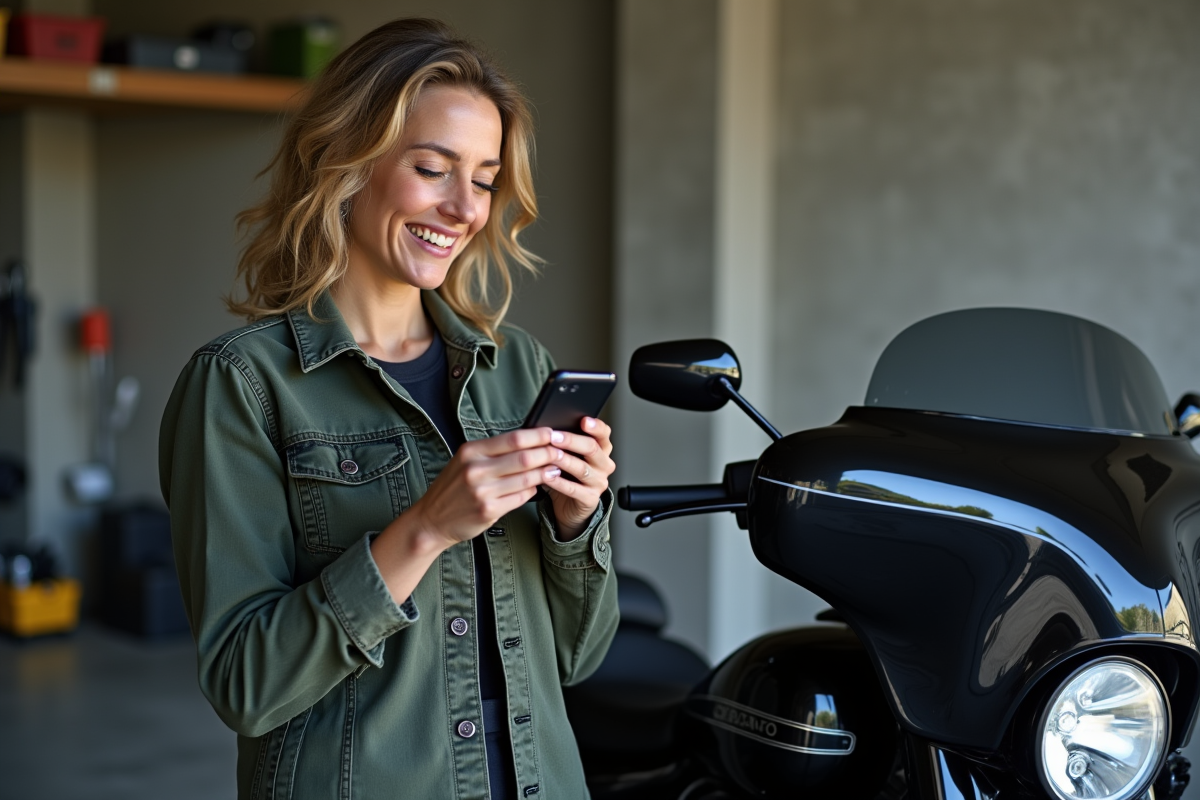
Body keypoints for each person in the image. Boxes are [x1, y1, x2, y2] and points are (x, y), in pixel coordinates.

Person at [159, 18, 619, 800]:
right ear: (347, 163)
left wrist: (576, 526)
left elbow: (579, 657)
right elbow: (245, 684)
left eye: (484, 180)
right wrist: (425, 528)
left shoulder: (520, 369)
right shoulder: (241, 385)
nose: (464, 208)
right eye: (433, 169)